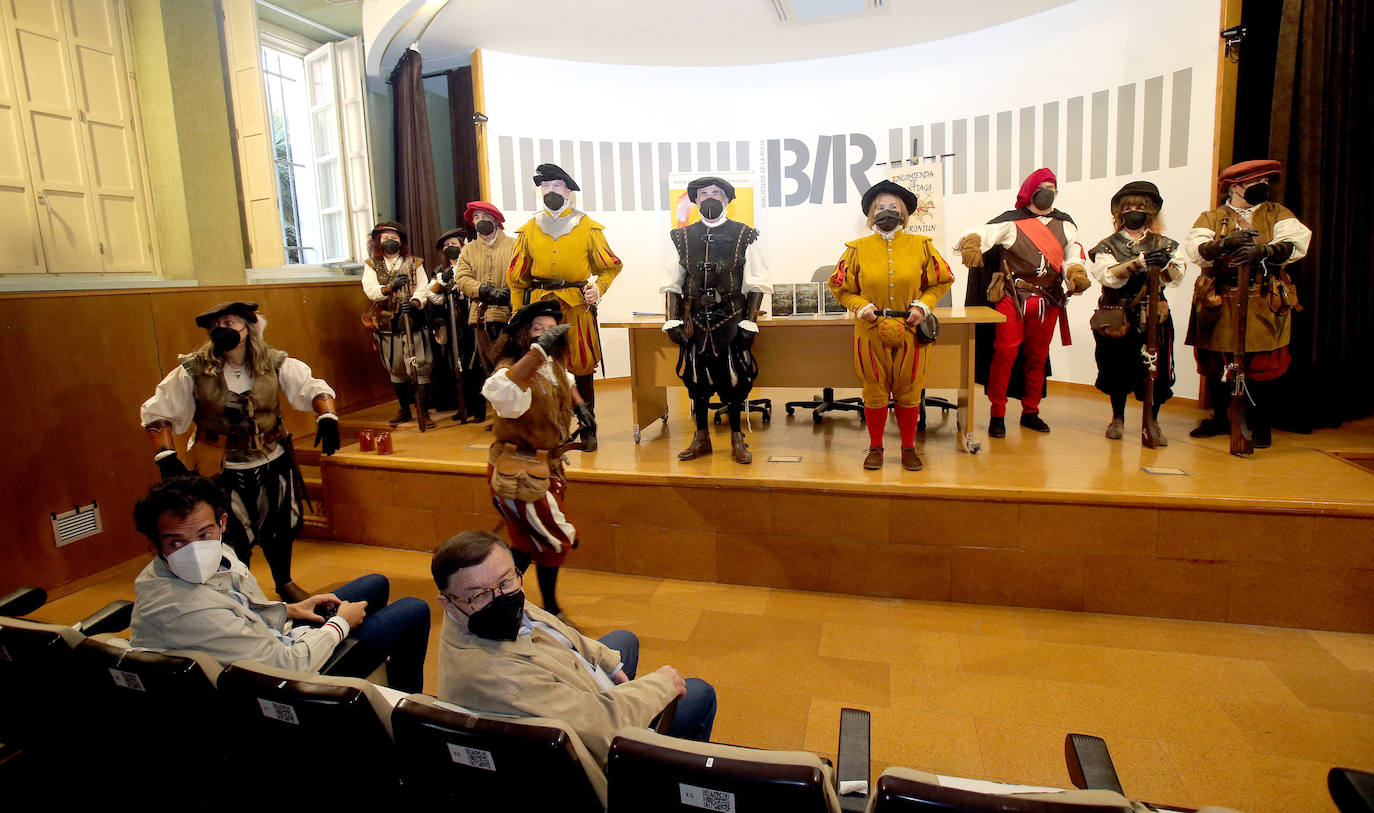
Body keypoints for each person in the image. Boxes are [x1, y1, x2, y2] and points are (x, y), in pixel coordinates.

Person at [433, 530, 715, 766]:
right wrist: (660, 686)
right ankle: (675, 780)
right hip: (595, 750)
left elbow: (551, 626)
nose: (500, 597)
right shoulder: (498, 677)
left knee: (623, 640)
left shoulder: (472, 614)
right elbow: (604, 726)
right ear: (446, 601)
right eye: (480, 594)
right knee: (699, 692)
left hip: (565, 690)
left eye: (506, 581)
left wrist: (609, 665)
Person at [130, 475, 430, 692]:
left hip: (269, 643)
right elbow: (287, 666)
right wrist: (339, 625)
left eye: (204, 534)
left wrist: (292, 610)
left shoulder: (216, 552)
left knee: (375, 583)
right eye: (176, 542)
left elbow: (240, 607)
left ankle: (389, 689)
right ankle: (408, 711)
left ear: (221, 523)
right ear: (154, 545)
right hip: (276, 684)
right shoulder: (185, 610)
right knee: (413, 610)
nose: (194, 549)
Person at [141, 300, 338, 603]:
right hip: (219, 466)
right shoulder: (194, 370)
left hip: (270, 459)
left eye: (230, 323)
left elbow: (313, 388)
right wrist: (165, 455)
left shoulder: (274, 363)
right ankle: (238, 590)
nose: (223, 330)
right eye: (216, 326)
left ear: (248, 328)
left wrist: (326, 416)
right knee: (230, 533)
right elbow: (158, 413)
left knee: (279, 526)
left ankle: (284, 582)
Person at [480, 301, 596, 624]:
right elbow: (498, 392)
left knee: (526, 541)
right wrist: (539, 352)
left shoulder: (554, 364)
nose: (545, 335)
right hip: (517, 472)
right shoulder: (511, 369)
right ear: (522, 334)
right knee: (555, 538)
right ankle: (539, 606)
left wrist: (582, 408)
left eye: (550, 330)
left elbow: (567, 380)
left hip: (546, 468)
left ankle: (498, 601)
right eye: (537, 329)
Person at [1183, 159, 1311, 448]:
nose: (1261, 187)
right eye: (1255, 183)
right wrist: (1223, 245)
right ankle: (1220, 419)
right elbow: (1196, 250)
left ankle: (1260, 424)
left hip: (1263, 296)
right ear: (1235, 186)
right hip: (1219, 296)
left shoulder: (1277, 214)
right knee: (1216, 362)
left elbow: (1295, 242)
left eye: (1265, 182)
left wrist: (1265, 250)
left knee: (1262, 365)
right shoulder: (1212, 218)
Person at [829, 180, 955, 471]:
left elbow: (942, 280)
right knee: (874, 389)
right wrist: (861, 306)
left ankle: (908, 447)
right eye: (880, 208)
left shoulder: (921, 246)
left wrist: (922, 306)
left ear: (904, 214)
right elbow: (840, 287)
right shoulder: (855, 249)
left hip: (910, 329)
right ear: (871, 215)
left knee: (909, 389)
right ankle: (876, 448)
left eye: (893, 208)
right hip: (870, 330)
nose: (887, 212)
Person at [956, 168, 1090, 437]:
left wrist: (1076, 272)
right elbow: (981, 234)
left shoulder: (1065, 225)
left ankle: (1031, 410)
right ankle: (998, 413)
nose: (1048, 191)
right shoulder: (1011, 223)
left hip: (1048, 300)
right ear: (1030, 191)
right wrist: (971, 244)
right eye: (1043, 186)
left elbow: (1072, 255)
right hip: (1012, 296)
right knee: (1005, 352)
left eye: (1052, 186)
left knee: (1037, 356)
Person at [662, 176, 771, 464]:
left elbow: (756, 282)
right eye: (704, 193)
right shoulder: (681, 237)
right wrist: (671, 320)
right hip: (695, 321)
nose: (710, 197)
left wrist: (750, 321)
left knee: (733, 379)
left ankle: (737, 437)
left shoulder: (745, 234)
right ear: (696, 200)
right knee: (696, 381)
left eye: (716, 193)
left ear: (726, 199)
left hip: (731, 319)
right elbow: (674, 281)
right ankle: (701, 438)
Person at [508, 163, 623, 415]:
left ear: (568, 191)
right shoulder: (529, 229)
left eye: (556, 185)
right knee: (542, 365)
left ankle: (587, 424)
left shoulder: (587, 227)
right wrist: (518, 312)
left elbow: (610, 267)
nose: (550, 190)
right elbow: (517, 279)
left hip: (576, 306)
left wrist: (599, 289)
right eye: (545, 186)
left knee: (581, 364)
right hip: (540, 308)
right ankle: (550, 426)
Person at [1086, 181, 1187, 441]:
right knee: (1116, 367)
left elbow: (1176, 276)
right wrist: (1139, 262)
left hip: (1154, 314)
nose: (1134, 211)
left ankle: (1152, 420)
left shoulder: (1165, 243)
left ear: (1150, 211)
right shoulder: (1107, 246)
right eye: (1128, 206)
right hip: (1117, 314)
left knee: (1157, 369)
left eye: (1139, 206)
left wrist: (1165, 265)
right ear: (1120, 212)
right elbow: (1107, 276)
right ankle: (1117, 417)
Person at [362, 220, 445, 429]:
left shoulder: (415, 263)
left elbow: (423, 287)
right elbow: (370, 289)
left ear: (402, 242)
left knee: (420, 364)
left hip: (413, 320)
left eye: (395, 238)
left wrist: (416, 301)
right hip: (387, 323)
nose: (391, 242)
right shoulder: (373, 265)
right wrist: (389, 287)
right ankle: (404, 409)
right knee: (396, 365)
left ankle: (423, 411)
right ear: (379, 241)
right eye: (386, 238)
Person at [453, 201, 518, 421]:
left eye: (484, 216)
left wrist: (509, 291)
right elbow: (461, 277)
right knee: (489, 367)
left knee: (512, 364)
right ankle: (501, 416)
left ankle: (516, 414)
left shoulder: (514, 245)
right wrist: (483, 290)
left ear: (496, 219)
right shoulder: (469, 250)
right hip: (481, 316)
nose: (480, 221)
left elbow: (523, 272)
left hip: (511, 315)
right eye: (476, 218)